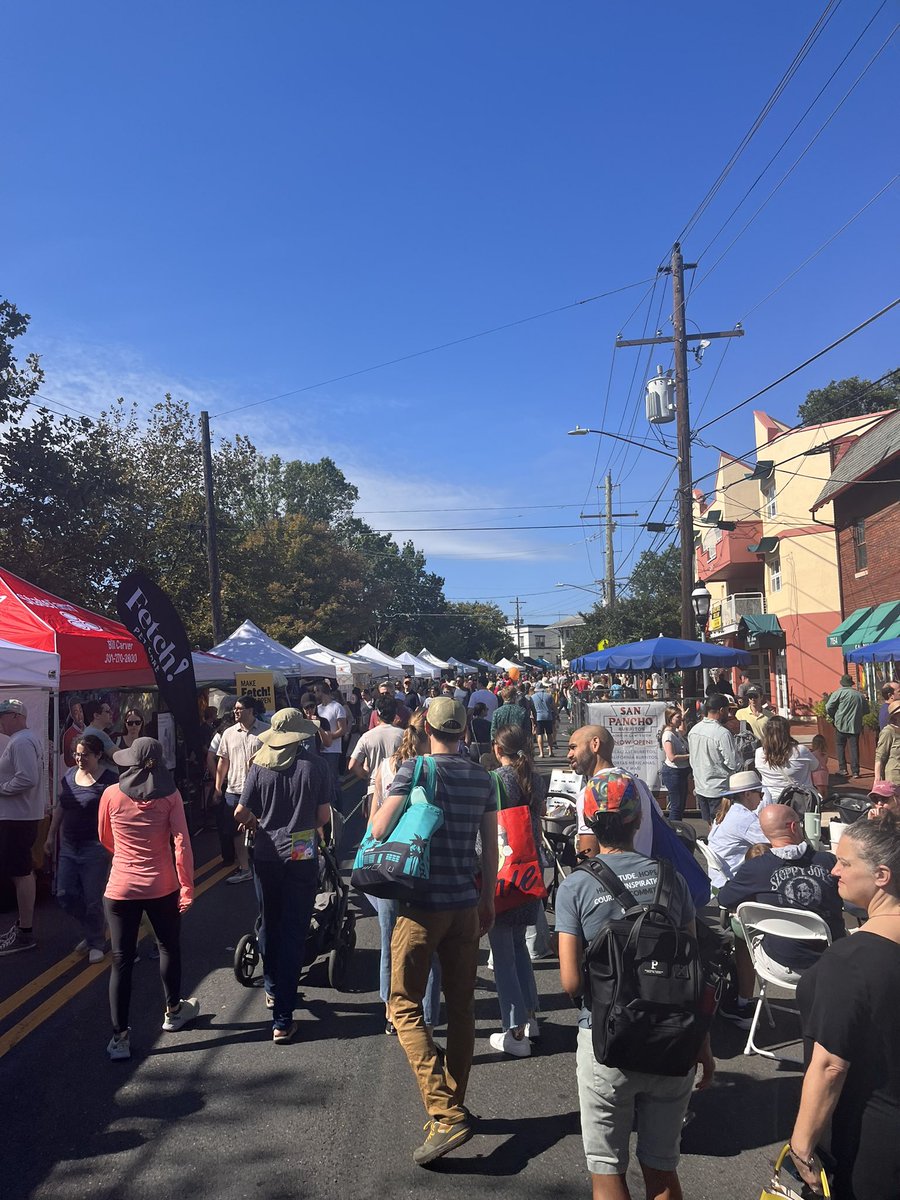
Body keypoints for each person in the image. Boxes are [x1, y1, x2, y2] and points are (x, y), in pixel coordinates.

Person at [556, 770, 714, 1199]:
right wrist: (702, 1043)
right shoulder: (671, 878)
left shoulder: (576, 886)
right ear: (638, 819)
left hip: (608, 1040)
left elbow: (571, 981)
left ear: (589, 823)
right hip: (673, 1039)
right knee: (661, 1168)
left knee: (607, 1169)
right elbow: (694, 968)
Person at [370, 697, 497, 1166]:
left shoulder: (417, 769)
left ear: (427, 728)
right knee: (462, 1008)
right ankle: (453, 1104)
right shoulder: (482, 777)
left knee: (402, 1004)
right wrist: (487, 900)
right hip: (465, 903)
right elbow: (490, 848)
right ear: (463, 731)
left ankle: (445, 1112)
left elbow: (379, 829)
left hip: (421, 906)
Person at [789, 813, 900, 1199]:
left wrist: (801, 1145)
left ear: (881, 875)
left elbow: (830, 1066)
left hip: (867, 1142)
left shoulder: (851, 960)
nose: (834, 870)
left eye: (845, 863)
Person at [234, 709, 332, 1044]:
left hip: (266, 852)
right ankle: (282, 1019)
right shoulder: (315, 766)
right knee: (293, 931)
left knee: (269, 922)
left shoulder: (259, 765)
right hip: (301, 850)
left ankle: (273, 987)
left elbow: (240, 812)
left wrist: (257, 823)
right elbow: (323, 816)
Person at [99, 737, 198, 1061]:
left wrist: (125, 860)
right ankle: (173, 1011)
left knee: (121, 960)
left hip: (120, 888)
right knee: (168, 947)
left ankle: (120, 1039)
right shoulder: (171, 796)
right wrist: (187, 886)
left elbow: (105, 838)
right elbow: (182, 844)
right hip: (162, 886)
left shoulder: (111, 794)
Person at [718, 803, 844, 1028]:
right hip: (832, 963)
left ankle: (742, 1003)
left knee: (740, 930)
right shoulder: (827, 862)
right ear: (794, 826)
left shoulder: (755, 869)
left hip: (780, 965)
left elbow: (724, 898)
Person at [367, 710, 442, 1034]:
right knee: (429, 944)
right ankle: (427, 1015)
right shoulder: (432, 769)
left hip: (388, 864)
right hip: (423, 864)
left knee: (389, 941)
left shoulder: (386, 767)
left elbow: (373, 821)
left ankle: (390, 1011)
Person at [486, 725, 547, 1057]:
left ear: (498, 749)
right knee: (520, 948)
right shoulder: (535, 779)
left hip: (504, 874)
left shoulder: (496, 780)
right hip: (530, 871)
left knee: (503, 956)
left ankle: (515, 1031)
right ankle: (531, 1017)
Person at [45, 734, 116, 962]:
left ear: (98, 755)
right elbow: (61, 806)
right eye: (77, 754)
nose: (79, 759)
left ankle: (96, 942)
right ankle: (92, 928)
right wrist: (50, 836)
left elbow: (118, 814)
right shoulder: (69, 775)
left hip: (95, 847)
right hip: (69, 846)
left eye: (85, 755)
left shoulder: (109, 780)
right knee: (65, 894)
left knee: (93, 898)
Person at [0, 699, 45, 955]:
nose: (0, 722)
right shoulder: (25, 739)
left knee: (21, 872)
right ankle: (22, 925)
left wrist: (1, 789)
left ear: (16, 716)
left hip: (18, 817)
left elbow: (27, 778)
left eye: (3, 716)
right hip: (20, 816)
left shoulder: (21, 741)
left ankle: (25, 931)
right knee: (22, 870)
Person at [215, 694, 266, 884]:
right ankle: (245, 868)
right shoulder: (228, 733)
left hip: (260, 790)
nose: (235, 711)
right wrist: (218, 787)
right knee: (236, 831)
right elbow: (223, 761)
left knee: (261, 828)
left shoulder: (266, 731)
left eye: (239, 708)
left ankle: (262, 865)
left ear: (251, 711)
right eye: (235, 709)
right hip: (235, 789)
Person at [687, 694, 742, 824]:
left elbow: (692, 759)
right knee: (723, 826)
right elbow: (733, 763)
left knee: (710, 826)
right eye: (728, 710)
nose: (728, 713)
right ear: (722, 710)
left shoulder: (694, 730)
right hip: (719, 789)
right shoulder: (722, 733)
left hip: (701, 787)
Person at [706, 770, 766, 886]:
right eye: (760, 794)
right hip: (734, 882)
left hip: (718, 881)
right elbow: (775, 843)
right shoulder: (745, 818)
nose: (762, 799)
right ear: (747, 794)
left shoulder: (726, 813)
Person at [348, 696, 403, 812]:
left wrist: (366, 775)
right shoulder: (403, 735)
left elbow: (352, 765)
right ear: (395, 713)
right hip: (397, 789)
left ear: (377, 714)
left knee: (373, 822)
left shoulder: (367, 736)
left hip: (374, 789)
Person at [754, 714, 820, 805]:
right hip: (801, 802)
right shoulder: (800, 751)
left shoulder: (759, 753)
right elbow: (816, 767)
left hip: (772, 802)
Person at [825, 673, 868, 779]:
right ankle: (855, 771)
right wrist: (857, 715)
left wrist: (833, 715)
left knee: (840, 746)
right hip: (855, 725)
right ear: (851, 683)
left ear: (842, 683)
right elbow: (866, 710)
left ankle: (843, 769)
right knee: (854, 747)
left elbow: (828, 707)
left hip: (840, 724)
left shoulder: (838, 693)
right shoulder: (859, 695)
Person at [659, 706, 691, 822]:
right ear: (670, 718)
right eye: (678, 717)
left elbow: (683, 730)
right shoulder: (668, 735)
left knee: (681, 805)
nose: (680, 719)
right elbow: (672, 757)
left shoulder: (675, 732)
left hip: (681, 772)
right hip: (673, 773)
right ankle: (673, 828)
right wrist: (690, 756)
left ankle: (677, 827)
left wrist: (683, 717)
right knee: (676, 806)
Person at [314, 681, 348, 780]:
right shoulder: (318, 708)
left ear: (321, 691)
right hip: (319, 750)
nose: (314, 694)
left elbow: (342, 729)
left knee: (331, 779)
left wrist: (327, 738)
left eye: (316, 691)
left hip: (332, 750)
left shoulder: (337, 707)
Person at [874, 699, 900, 786]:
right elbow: (880, 756)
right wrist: (877, 779)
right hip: (895, 779)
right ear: (895, 716)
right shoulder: (888, 731)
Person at [531, 679, 556, 759]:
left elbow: (531, 709)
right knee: (549, 734)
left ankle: (541, 753)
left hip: (538, 717)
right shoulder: (549, 696)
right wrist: (556, 715)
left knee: (539, 735)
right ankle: (550, 751)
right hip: (548, 716)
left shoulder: (533, 697)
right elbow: (553, 707)